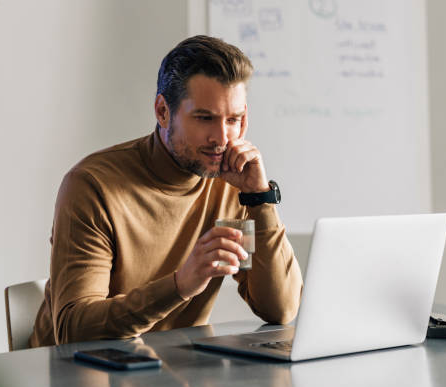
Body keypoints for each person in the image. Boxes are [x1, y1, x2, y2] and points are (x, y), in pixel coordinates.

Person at [29, 35, 302, 347]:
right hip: (78, 382)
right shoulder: (92, 186)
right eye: (204, 118)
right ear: (162, 111)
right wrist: (179, 285)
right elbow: (73, 329)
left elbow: (281, 310)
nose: (222, 138)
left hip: (175, 376)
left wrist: (260, 198)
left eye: (234, 120)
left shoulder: (232, 184)